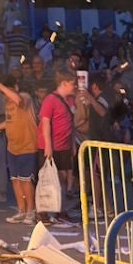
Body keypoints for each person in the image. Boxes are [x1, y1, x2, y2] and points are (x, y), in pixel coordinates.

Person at [0, 71, 39, 224]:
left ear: (14, 87)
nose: (5, 95)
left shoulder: (25, 97)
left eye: (6, 91)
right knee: (15, 180)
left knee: (26, 180)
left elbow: (18, 100)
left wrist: (0, 86)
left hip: (27, 147)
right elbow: (9, 121)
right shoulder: (7, 103)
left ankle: (31, 211)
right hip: (12, 148)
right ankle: (21, 210)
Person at [37, 68, 80, 225]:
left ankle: (60, 211)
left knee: (61, 179)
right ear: (64, 83)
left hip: (64, 145)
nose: (74, 86)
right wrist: (48, 145)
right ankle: (42, 213)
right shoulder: (51, 99)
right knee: (47, 179)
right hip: (52, 146)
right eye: (72, 84)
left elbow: (70, 124)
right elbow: (45, 122)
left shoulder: (68, 100)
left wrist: (72, 144)